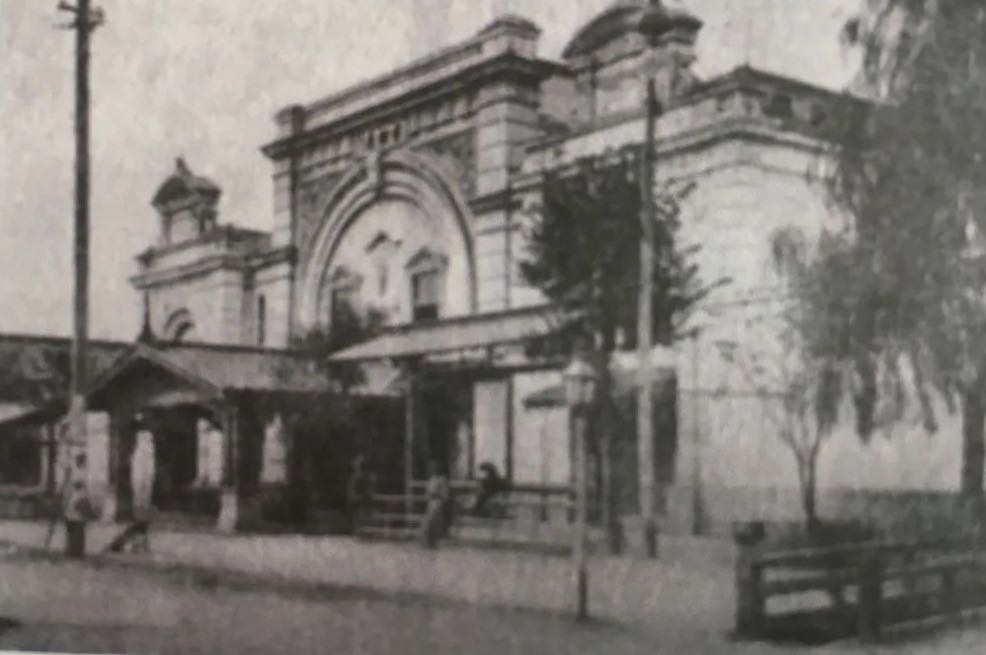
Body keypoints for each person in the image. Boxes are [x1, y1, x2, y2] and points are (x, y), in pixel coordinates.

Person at [421, 460, 451, 548]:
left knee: (433, 522)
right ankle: (428, 542)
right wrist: (429, 496)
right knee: (428, 522)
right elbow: (427, 493)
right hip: (431, 502)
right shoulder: (431, 479)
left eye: (434, 467)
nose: (432, 469)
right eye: (431, 468)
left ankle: (433, 542)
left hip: (438, 503)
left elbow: (445, 495)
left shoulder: (442, 479)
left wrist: (437, 495)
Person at [345, 454, 375, 532]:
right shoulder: (354, 477)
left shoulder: (364, 476)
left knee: (363, 520)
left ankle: (360, 529)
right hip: (357, 502)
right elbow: (352, 490)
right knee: (358, 520)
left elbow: (368, 489)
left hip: (362, 502)